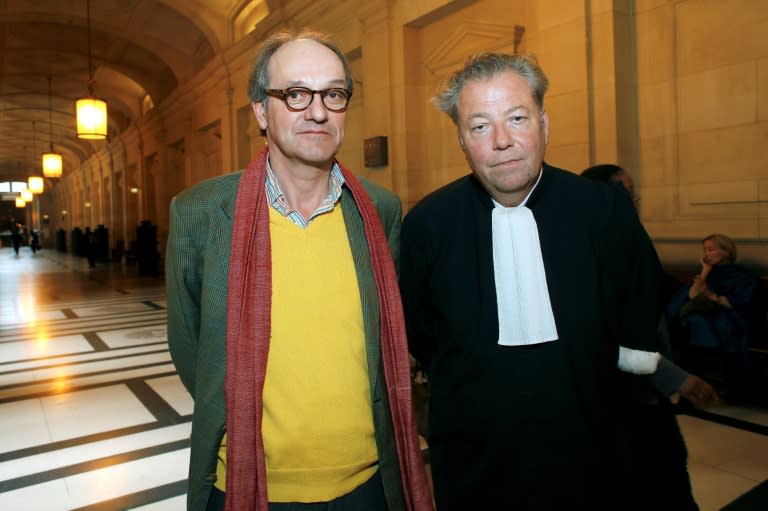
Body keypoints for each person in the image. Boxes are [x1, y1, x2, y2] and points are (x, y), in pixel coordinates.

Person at [166, 29, 432, 511]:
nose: (317, 111)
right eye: (295, 94)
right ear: (261, 111)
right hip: (246, 484)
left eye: (333, 94)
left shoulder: (379, 210)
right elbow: (192, 349)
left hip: (368, 483)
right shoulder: (202, 213)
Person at [399, 52, 663, 510]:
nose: (501, 140)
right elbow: (421, 329)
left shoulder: (602, 209)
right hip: (474, 456)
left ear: (544, 124)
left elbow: (637, 297)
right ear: (462, 140)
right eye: (480, 126)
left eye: (516, 118)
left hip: (593, 445)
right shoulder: (428, 224)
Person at [582, 163, 714, 511]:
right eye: (627, 192)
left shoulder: (626, 239)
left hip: (645, 396)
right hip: (625, 399)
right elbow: (610, 337)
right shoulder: (597, 252)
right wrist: (675, 377)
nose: (635, 200)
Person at [667, 234, 758, 400]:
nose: (706, 254)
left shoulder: (742, 276)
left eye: (711, 249)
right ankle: (694, 387)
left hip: (729, 317)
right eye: (705, 250)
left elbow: (741, 304)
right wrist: (705, 271)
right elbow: (692, 296)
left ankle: (697, 387)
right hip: (705, 318)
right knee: (691, 322)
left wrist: (711, 295)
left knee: (695, 323)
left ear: (726, 252)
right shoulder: (710, 273)